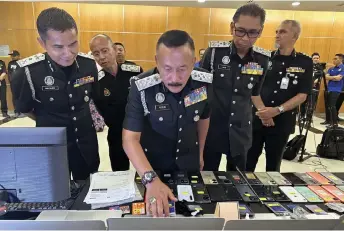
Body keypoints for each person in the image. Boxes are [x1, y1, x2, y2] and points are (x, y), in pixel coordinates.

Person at [122, 30, 212, 217]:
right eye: (167, 68)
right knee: (156, 218)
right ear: (156, 61)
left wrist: (201, 153)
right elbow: (130, 139)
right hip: (153, 167)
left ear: (194, 61)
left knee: (193, 218)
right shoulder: (141, 87)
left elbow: (204, 118)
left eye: (182, 69)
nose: (175, 78)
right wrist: (150, 179)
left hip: (189, 162)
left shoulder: (204, 82)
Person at [11, 7, 100, 180]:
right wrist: (48, 119)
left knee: (89, 190)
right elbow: (25, 108)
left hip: (86, 144)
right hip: (52, 146)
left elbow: (93, 98)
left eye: (73, 44)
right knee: (57, 193)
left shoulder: (88, 65)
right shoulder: (28, 72)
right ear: (42, 43)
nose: (68, 54)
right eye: (58, 47)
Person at [201, 3, 270, 171]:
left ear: (260, 31)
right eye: (241, 30)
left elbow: (255, 92)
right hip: (212, 129)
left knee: (238, 181)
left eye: (253, 32)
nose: (246, 38)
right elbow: (200, 90)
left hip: (241, 131)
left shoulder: (262, 59)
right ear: (232, 27)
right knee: (208, 179)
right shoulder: (214, 53)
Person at [246, 20, 313, 172]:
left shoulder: (305, 62)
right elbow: (251, 88)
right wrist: (265, 114)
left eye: (282, 32)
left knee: (273, 165)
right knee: (248, 162)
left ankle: (270, 194)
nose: (277, 35)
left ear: (295, 36)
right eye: (276, 32)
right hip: (257, 118)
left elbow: (302, 94)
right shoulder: (263, 58)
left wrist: (277, 110)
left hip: (282, 122)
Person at [90, 34, 142, 171]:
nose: (101, 57)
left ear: (114, 49)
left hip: (140, 130)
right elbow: (102, 111)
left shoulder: (134, 72)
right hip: (116, 133)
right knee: (120, 173)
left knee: (147, 170)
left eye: (105, 51)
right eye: (96, 54)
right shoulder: (97, 82)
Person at [321, 54, 344, 125]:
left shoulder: (343, 68)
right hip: (328, 89)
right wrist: (334, 77)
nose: (333, 60)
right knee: (328, 106)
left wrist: (331, 77)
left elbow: (338, 78)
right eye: (333, 58)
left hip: (336, 89)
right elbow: (326, 77)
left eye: (335, 59)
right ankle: (328, 121)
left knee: (332, 105)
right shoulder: (331, 68)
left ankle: (334, 123)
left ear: (340, 59)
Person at [8, 50, 21, 117]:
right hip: (13, 84)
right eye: (11, 56)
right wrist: (11, 80)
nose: (12, 57)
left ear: (18, 56)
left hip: (21, 83)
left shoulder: (22, 62)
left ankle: (23, 111)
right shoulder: (10, 63)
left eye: (13, 56)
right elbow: (9, 73)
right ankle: (16, 111)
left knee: (22, 96)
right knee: (15, 97)